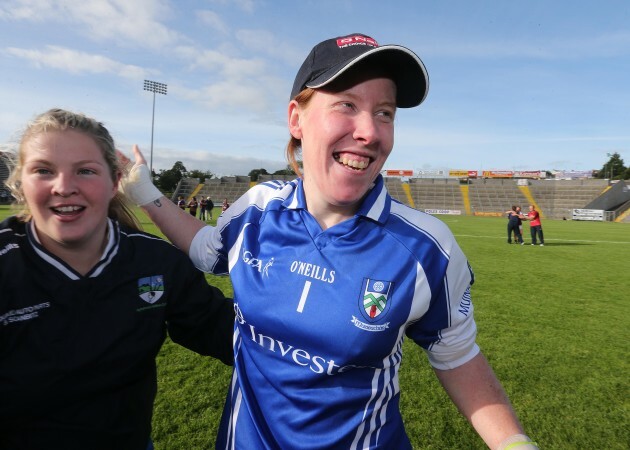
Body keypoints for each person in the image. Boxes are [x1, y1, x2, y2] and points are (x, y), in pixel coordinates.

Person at [121, 33, 537, 450]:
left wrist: (514, 443)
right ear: (296, 120)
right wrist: (144, 192)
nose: (370, 132)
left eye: (385, 113)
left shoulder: (427, 249)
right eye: (347, 105)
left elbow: (457, 355)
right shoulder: (258, 208)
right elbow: (206, 250)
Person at [0, 108, 235, 450]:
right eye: (43, 170)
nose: (64, 187)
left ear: (114, 182)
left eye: (85, 171)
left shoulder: (154, 261)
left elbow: (223, 330)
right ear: (20, 182)